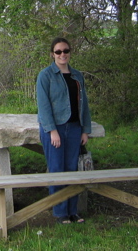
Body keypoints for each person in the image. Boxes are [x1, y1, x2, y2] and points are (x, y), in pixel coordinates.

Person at [36, 37, 92, 224]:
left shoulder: (77, 76)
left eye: (65, 51)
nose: (62, 55)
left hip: (75, 128)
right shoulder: (46, 75)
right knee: (57, 170)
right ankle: (60, 213)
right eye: (58, 52)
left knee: (72, 170)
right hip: (55, 129)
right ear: (52, 54)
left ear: (70, 52)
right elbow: (43, 106)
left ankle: (72, 211)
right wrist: (52, 131)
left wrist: (85, 129)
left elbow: (84, 104)